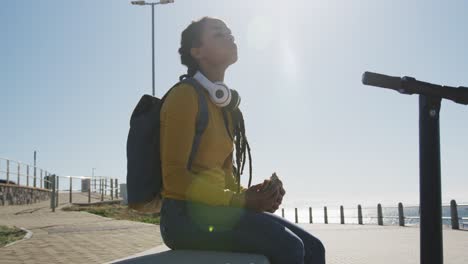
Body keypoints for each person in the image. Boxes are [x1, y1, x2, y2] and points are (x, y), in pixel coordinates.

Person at [159, 16, 325, 264]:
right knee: (289, 246)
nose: (229, 36)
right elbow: (174, 176)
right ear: (197, 51)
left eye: (229, 32)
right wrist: (239, 201)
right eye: (218, 33)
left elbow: (225, 180)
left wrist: (256, 194)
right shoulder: (184, 97)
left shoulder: (224, 107)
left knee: (314, 248)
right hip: (183, 219)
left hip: (218, 212)